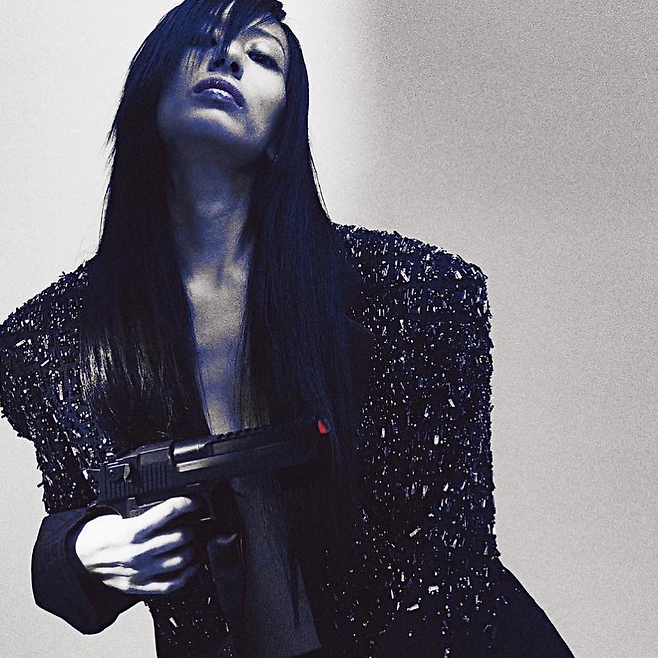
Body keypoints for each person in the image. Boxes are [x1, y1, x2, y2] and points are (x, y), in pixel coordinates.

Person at [0, 1, 575, 656]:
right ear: (149, 86)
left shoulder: (418, 295)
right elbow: (76, 518)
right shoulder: (54, 339)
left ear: (282, 128)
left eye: (262, 57)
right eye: (203, 40)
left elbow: (453, 559)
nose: (229, 57)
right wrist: (81, 549)